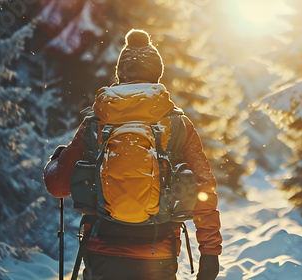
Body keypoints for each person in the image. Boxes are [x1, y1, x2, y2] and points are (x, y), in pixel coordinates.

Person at [43, 28, 222, 280]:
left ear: (121, 74)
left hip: (101, 250)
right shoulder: (177, 124)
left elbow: (58, 186)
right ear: (157, 75)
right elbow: (204, 190)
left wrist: (55, 162)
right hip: (157, 254)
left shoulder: (97, 122)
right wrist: (210, 253)